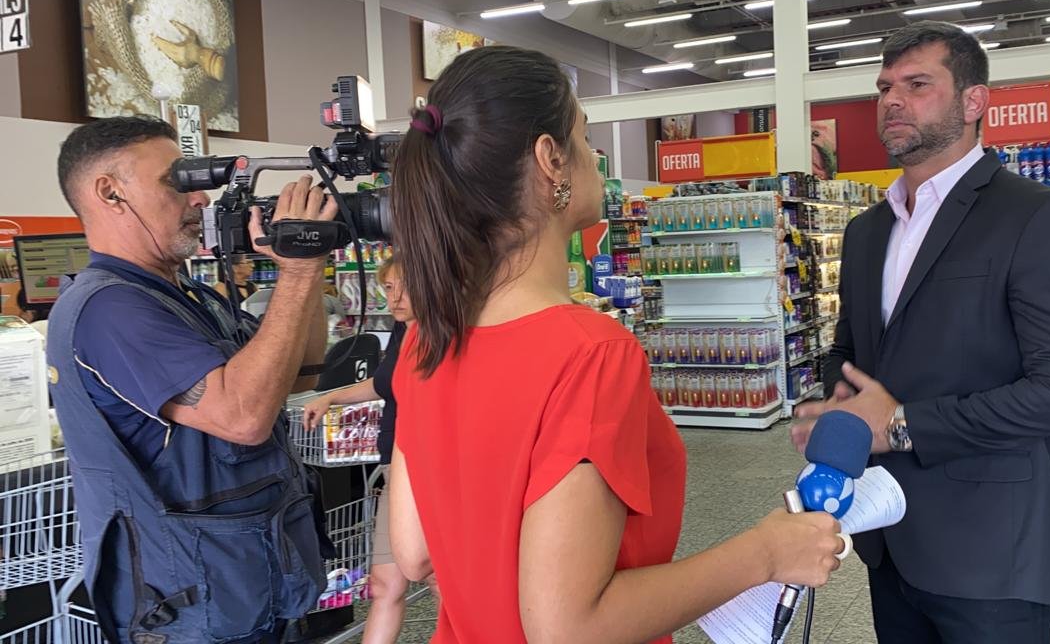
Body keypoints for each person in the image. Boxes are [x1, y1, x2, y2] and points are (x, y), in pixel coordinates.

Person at [386, 45, 845, 643]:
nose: (595, 157)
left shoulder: (424, 339)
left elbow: (416, 553)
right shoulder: (588, 354)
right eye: (584, 135)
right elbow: (566, 628)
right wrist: (764, 552)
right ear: (550, 159)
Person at [790, 21, 1050, 644]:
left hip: (992, 550)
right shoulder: (867, 231)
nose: (892, 101)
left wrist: (902, 424)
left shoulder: (1038, 217)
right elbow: (852, 353)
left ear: (973, 101)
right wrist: (836, 409)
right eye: (883, 88)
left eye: (917, 84)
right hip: (888, 538)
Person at [47, 116, 336, 643]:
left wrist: (307, 267)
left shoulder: (186, 298)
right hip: (194, 611)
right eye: (176, 182)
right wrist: (295, 273)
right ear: (110, 193)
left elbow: (297, 375)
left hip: (248, 588)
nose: (200, 199)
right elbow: (244, 417)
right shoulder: (109, 310)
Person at [303, 257, 417, 644]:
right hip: (395, 471)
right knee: (386, 583)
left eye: (406, 285)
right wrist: (331, 397)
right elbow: (384, 384)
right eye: (388, 288)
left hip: (428, 476)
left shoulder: (446, 337)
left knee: (438, 581)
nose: (395, 297)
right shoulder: (405, 332)